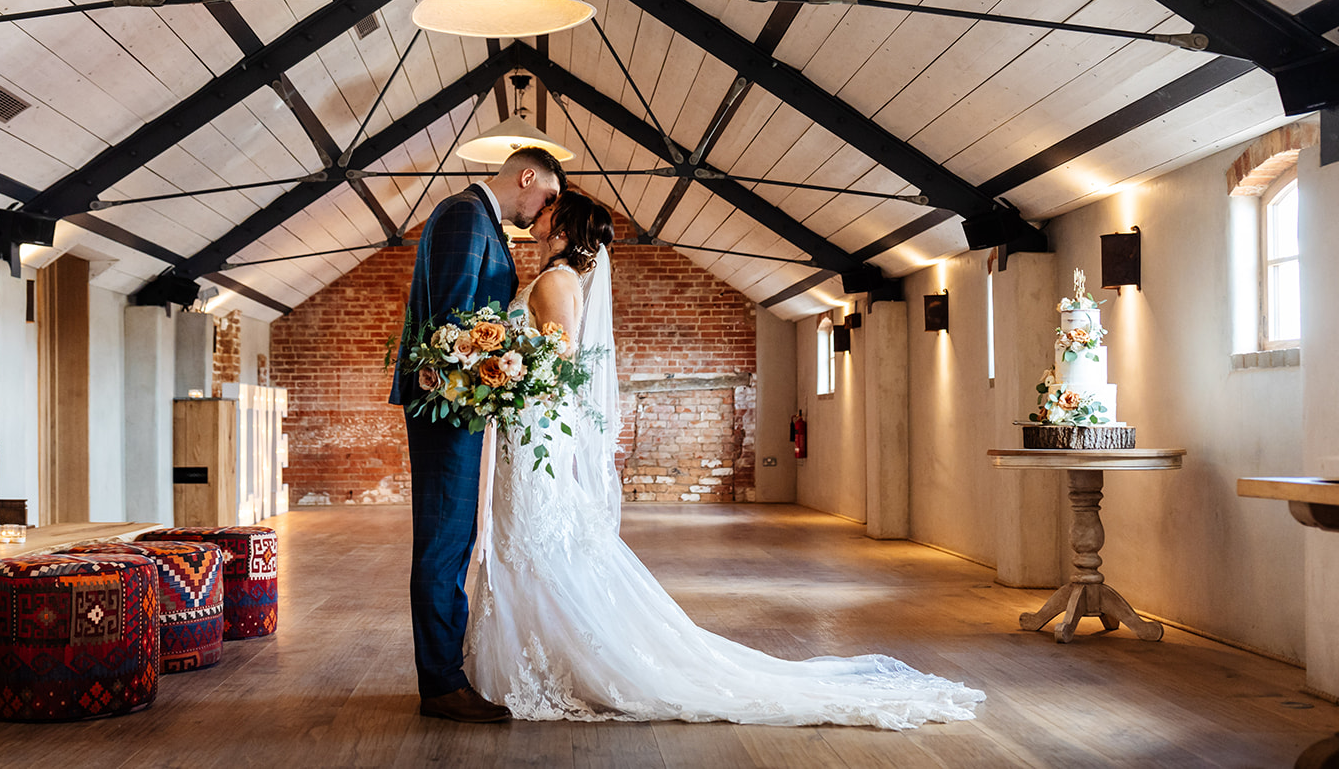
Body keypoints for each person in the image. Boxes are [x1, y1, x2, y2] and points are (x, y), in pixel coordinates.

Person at [464, 190, 986, 729]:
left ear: (564, 230)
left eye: (550, 208)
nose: (541, 211)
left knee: (531, 538)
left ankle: (555, 661)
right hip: (532, 431)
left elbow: (560, 361)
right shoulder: (563, 279)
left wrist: (498, 373)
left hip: (532, 431)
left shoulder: (555, 281)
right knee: (534, 541)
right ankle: (541, 654)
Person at [391, 146, 566, 724]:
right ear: (527, 176)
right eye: (548, 196)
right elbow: (450, 326)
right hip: (448, 402)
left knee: (454, 539)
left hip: (461, 401)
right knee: (444, 542)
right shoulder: (467, 216)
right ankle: (440, 685)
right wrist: (497, 376)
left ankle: (444, 672)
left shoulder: (475, 218)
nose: (546, 210)